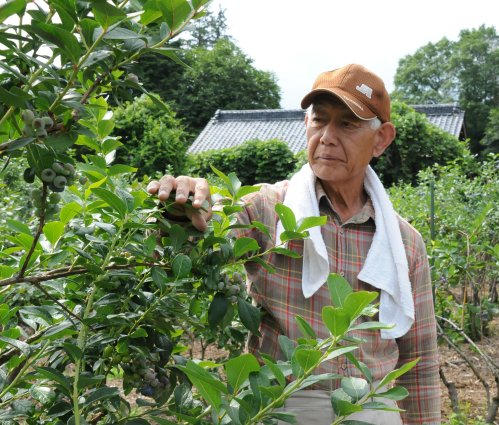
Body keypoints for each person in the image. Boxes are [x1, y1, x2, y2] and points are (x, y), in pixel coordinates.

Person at [147, 64, 441, 424]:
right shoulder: (267, 209)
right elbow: (208, 236)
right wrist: (183, 215)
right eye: (319, 120)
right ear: (306, 124)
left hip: (372, 409)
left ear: (381, 139)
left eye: (347, 124)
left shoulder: (404, 243)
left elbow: (420, 360)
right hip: (282, 407)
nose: (327, 137)